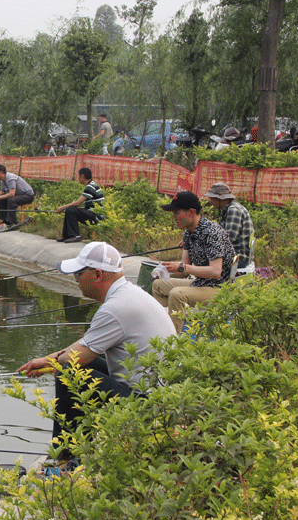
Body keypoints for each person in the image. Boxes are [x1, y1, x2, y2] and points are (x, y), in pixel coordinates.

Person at [17, 241, 175, 445]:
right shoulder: (129, 294)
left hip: (150, 405)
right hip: (162, 394)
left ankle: (66, 453)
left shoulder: (114, 308)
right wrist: (46, 362)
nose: (76, 279)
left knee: (68, 373)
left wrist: (53, 363)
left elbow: (72, 359)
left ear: (98, 275)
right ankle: (82, 441)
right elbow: (86, 345)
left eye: (79, 274)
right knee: (80, 363)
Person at [152, 191, 236, 333]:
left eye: (177, 212)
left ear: (191, 212)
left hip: (219, 288)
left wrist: (182, 267)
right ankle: (165, 326)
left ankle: (172, 339)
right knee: (158, 285)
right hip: (201, 283)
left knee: (177, 294)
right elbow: (183, 272)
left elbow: (215, 272)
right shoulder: (188, 233)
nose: (174, 217)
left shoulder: (212, 232)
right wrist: (165, 270)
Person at [204, 182, 254, 271]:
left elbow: (228, 239)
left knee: (202, 262)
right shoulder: (227, 209)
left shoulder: (233, 210)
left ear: (219, 199)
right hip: (234, 256)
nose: (211, 201)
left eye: (212, 199)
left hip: (238, 259)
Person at [55, 168, 105, 243]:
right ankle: (67, 236)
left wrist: (62, 207)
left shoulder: (90, 187)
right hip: (94, 214)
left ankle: (75, 236)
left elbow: (78, 203)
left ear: (82, 177)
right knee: (70, 210)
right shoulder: (91, 185)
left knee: (71, 210)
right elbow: (86, 207)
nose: (78, 179)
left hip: (97, 217)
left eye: (78, 176)